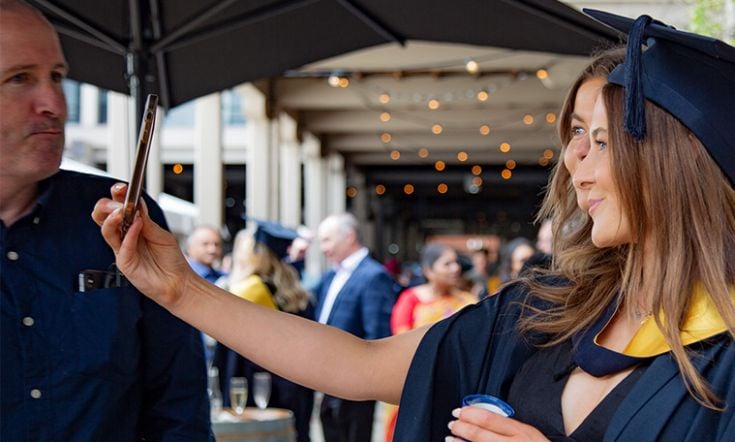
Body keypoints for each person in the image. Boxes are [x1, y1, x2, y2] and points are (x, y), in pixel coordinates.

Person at [90, 9, 735, 441]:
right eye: (574, 137)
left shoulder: (725, 352)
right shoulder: (545, 316)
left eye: (599, 139)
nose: (572, 163)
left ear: (672, 161)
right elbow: (356, 362)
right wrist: (181, 289)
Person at [0, 1, 212, 440]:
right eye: (20, 78)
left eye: (57, 77)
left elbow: (180, 402)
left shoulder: (121, 216)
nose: (55, 104)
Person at [213, 221, 314, 442]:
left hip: (253, 386)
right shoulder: (297, 293)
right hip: (294, 385)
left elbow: (230, 357)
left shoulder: (247, 291)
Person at [313, 213, 396, 442]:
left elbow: (377, 334)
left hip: (354, 381)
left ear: (349, 237)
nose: (322, 248)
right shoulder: (331, 275)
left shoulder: (374, 275)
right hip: (328, 378)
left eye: (327, 240)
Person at [384, 243, 476, 441]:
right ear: (428, 269)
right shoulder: (411, 299)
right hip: (415, 383)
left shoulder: (468, 301)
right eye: (447, 263)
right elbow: (400, 342)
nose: (455, 268)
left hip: (456, 386)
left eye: (456, 263)